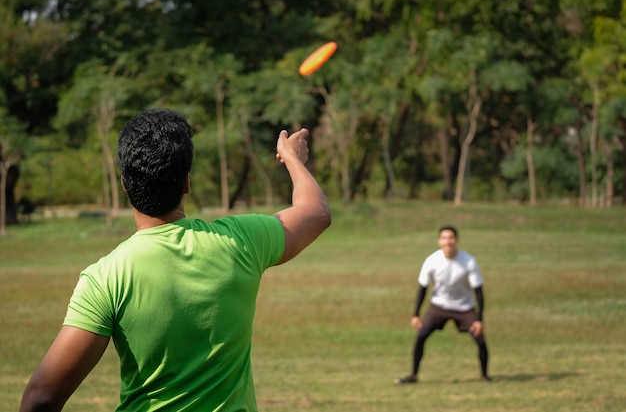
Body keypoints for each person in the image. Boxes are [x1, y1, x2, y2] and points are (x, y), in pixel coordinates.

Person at [19, 108, 331, 412]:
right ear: (186, 183)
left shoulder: (106, 278)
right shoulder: (240, 241)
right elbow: (315, 212)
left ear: (125, 184)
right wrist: (292, 158)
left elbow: (42, 399)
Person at [395, 225, 490, 384]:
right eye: (445, 238)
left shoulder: (468, 261)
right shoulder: (432, 261)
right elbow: (423, 288)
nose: (448, 242)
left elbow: (479, 292)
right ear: (439, 241)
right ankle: (413, 376)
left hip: (464, 307)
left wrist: (479, 319)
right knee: (421, 336)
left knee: (480, 340)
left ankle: (485, 376)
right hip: (439, 306)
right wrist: (416, 314)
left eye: (451, 238)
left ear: (457, 240)